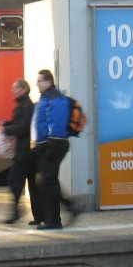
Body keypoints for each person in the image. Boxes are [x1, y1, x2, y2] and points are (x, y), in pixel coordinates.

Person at [32, 69, 76, 230]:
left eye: (40, 81)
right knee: (48, 180)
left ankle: (63, 212)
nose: (37, 83)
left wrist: (49, 142)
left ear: (48, 82)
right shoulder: (47, 97)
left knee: (46, 180)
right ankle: (54, 218)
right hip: (48, 144)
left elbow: (56, 122)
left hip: (54, 144)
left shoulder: (55, 98)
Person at [0, 79, 40, 224]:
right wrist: (9, 123)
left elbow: (24, 128)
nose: (12, 91)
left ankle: (16, 213)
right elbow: (21, 124)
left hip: (25, 152)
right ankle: (37, 217)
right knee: (32, 185)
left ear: (23, 90)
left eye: (15, 89)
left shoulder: (26, 106)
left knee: (15, 181)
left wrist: (6, 129)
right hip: (27, 151)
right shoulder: (23, 105)